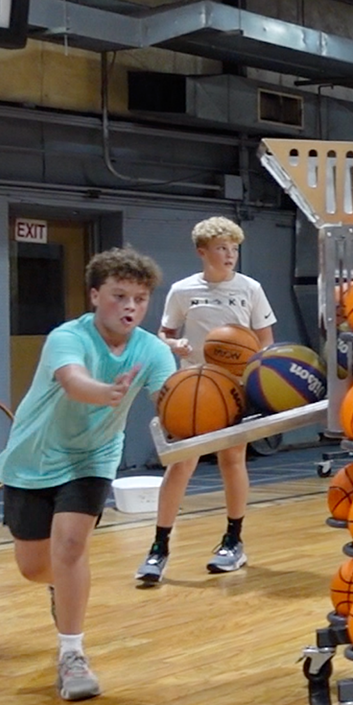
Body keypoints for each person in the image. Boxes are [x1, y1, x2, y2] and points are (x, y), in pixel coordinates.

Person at [0, 247, 175, 701]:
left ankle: (71, 656)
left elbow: (174, 399)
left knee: (72, 546)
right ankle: (61, 585)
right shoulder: (67, 337)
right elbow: (74, 382)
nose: (130, 306)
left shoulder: (152, 350)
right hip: (33, 458)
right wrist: (107, 392)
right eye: (119, 296)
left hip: (92, 458)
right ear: (95, 295)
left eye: (139, 298)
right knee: (35, 567)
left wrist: (212, 406)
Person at [136, 216, 276, 584]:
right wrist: (174, 344)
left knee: (233, 459)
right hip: (194, 389)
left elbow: (266, 342)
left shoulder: (250, 288)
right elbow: (163, 333)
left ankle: (234, 541)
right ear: (203, 252)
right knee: (181, 466)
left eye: (234, 249)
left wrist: (258, 377)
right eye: (222, 249)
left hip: (232, 389)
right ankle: (158, 548)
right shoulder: (183, 291)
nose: (230, 255)